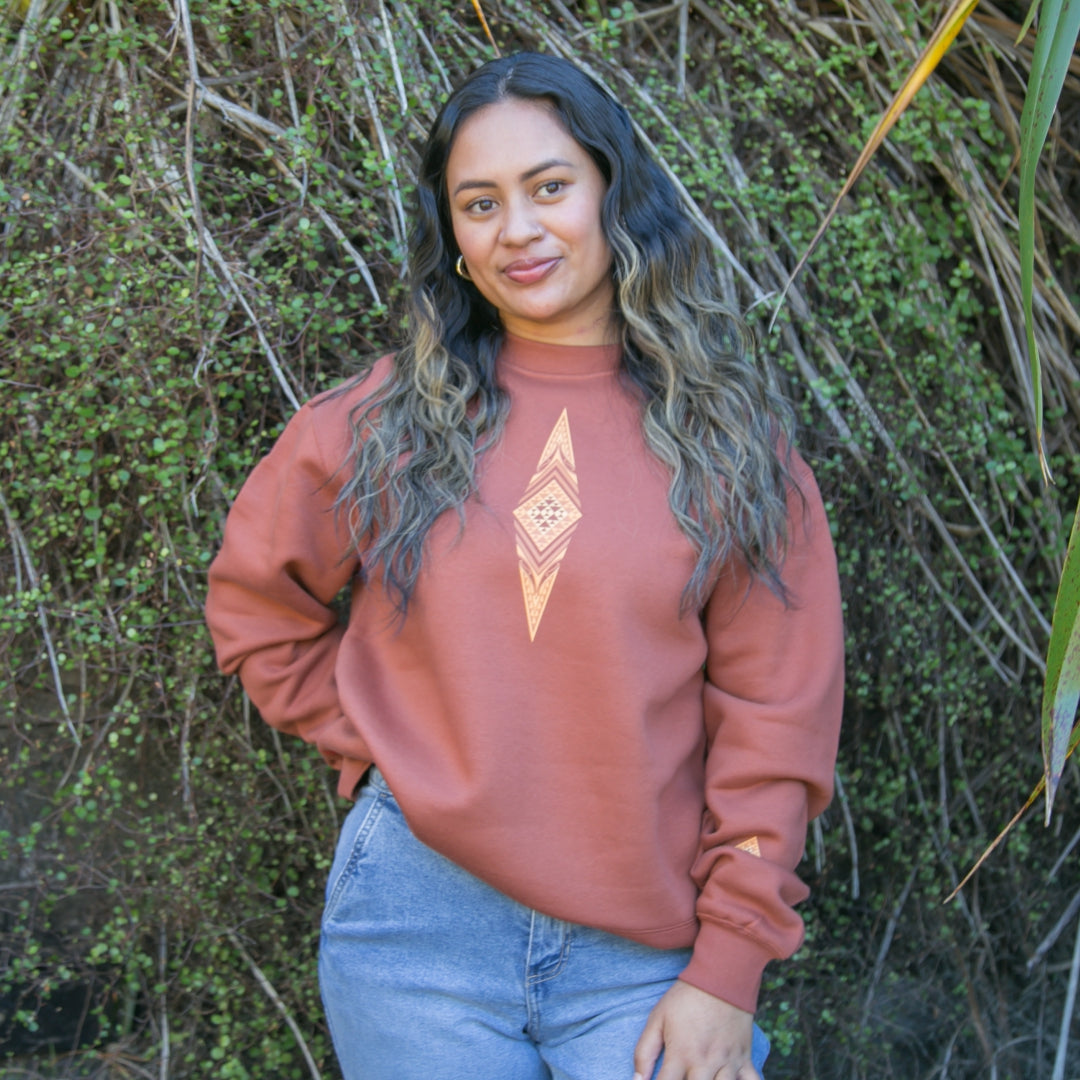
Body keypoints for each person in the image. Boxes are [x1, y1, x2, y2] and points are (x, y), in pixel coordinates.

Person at [204, 51, 844, 1080]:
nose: (519, 229)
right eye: (480, 202)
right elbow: (255, 608)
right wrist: (390, 734)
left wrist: (727, 972)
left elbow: (778, 732)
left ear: (613, 195)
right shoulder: (379, 427)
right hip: (414, 938)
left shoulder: (739, 457)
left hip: (643, 955)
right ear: (454, 239)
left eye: (550, 187)